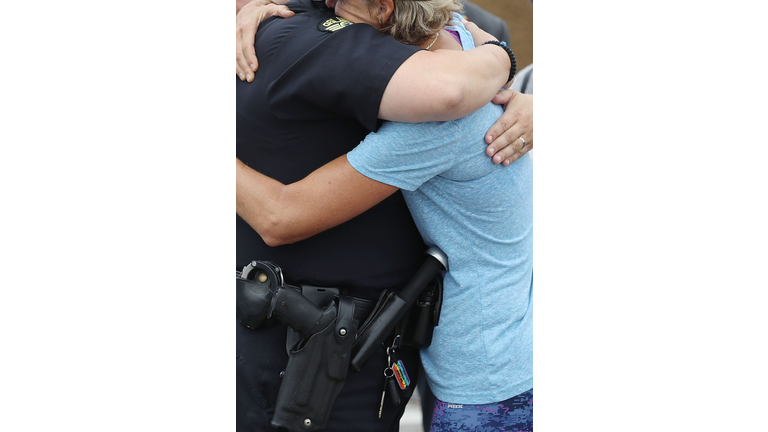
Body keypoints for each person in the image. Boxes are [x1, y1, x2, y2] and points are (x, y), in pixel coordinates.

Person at [235, 1, 531, 431]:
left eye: (341, 9)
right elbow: (472, 31)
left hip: (483, 382)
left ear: (384, 9)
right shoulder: (460, 38)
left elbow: (281, 216)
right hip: (505, 353)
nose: (328, 15)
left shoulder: (436, 125)